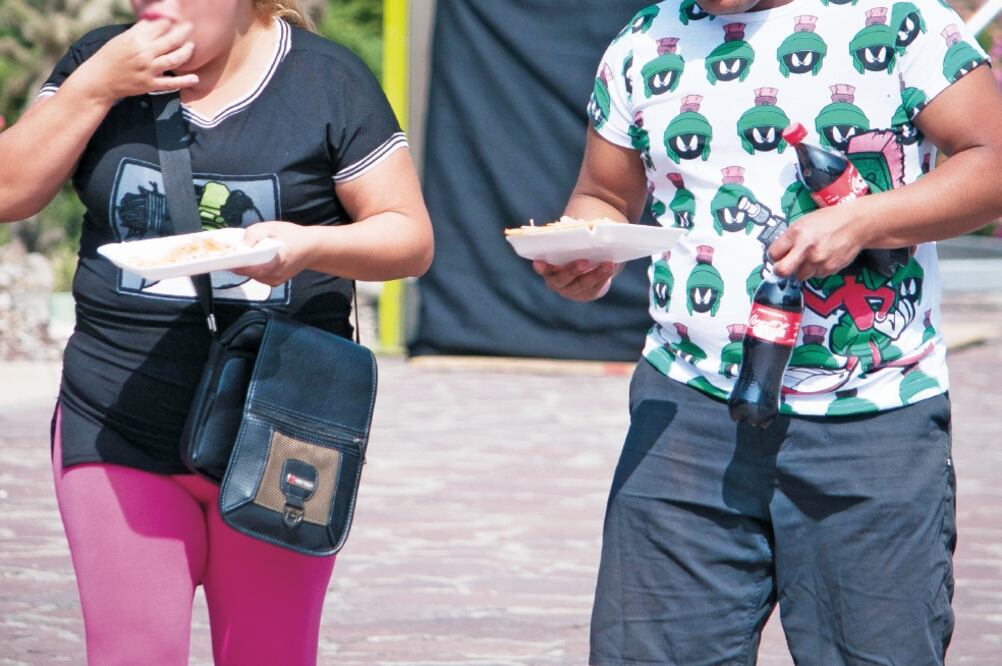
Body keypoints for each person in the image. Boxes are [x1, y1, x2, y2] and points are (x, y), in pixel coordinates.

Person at [534, 0, 1002, 663]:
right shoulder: (642, 42)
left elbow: (993, 162)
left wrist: (864, 222)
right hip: (684, 418)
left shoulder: (901, 21)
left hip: (870, 418)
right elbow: (606, 195)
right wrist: (587, 246)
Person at [0, 0, 432, 663]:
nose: (155, 7)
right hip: (117, 421)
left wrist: (306, 246)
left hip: (283, 431)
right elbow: (8, 192)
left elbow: (409, 236)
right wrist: (96, 86)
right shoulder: (99, 63)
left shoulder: (326, 81)